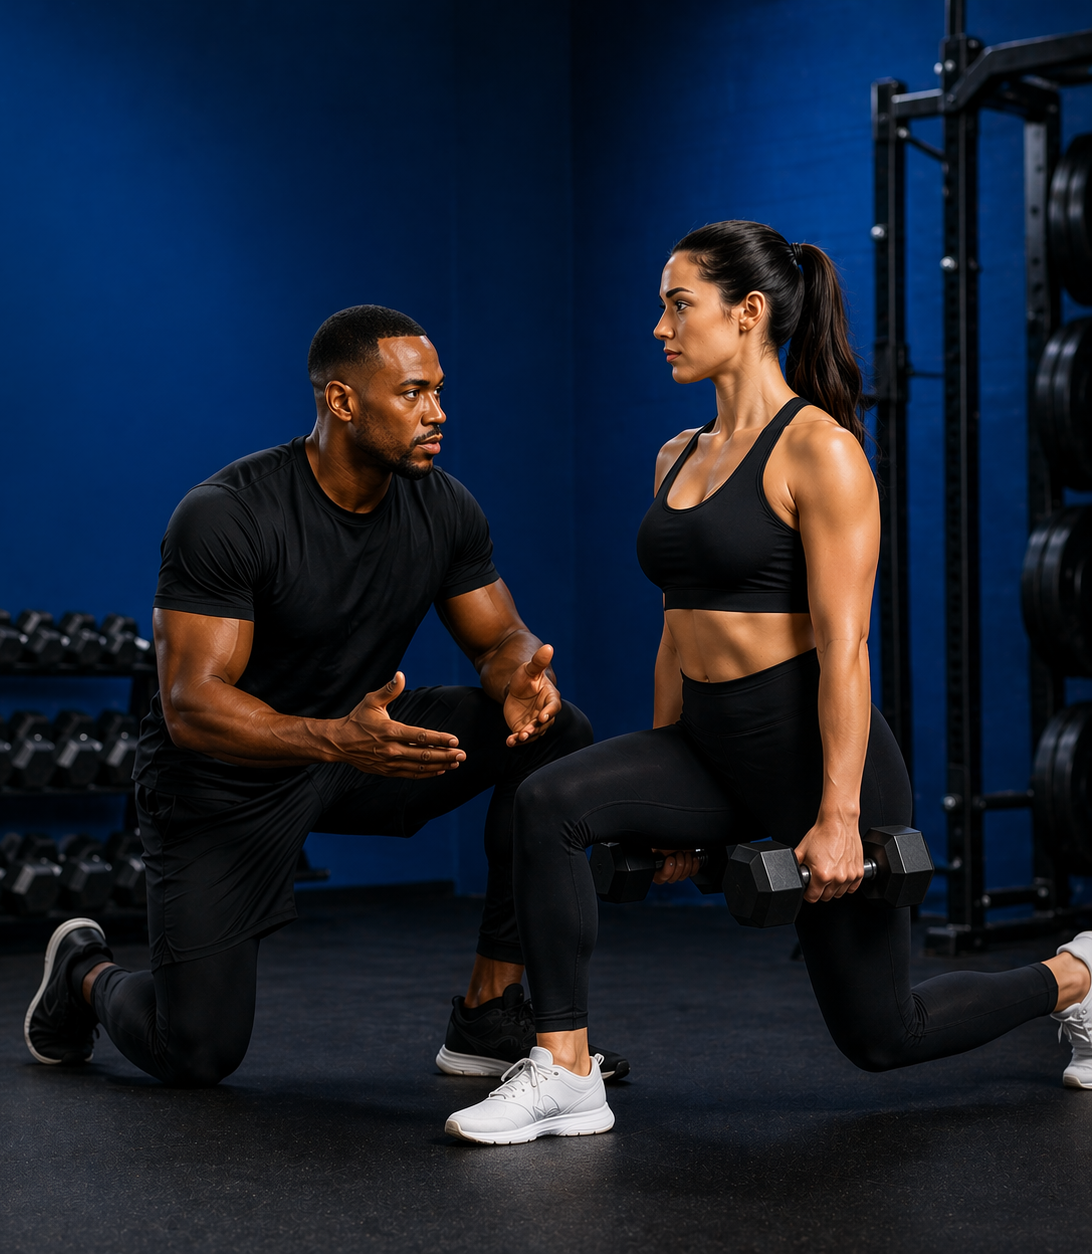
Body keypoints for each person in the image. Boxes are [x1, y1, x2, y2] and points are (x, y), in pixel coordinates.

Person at [444, 220, 1092, 1145]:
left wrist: (836, 816)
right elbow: (675, 628)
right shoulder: (676, 454)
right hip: (708, 743)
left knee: (882, 1035)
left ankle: (1075, 978)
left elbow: (845, 646)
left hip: (815, 757)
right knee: (548, 803)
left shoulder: (818, 451)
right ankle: (567, 1069)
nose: (659, 327)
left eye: (678, 304)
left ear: (748, 314)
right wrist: (657, 794)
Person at [22, 304, 630, 1088]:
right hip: (223, 782)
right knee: (197, 1050)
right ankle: (85, 971)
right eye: (413, 394)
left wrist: (521, 682)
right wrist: (334, 738)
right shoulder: (228, 515)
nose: (438, 413)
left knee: (555, 735)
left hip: (357, 747)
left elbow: (499, 638)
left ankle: (489, 1012)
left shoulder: (442, 506)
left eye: (440, 392)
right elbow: (191, 705)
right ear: (342, 402)